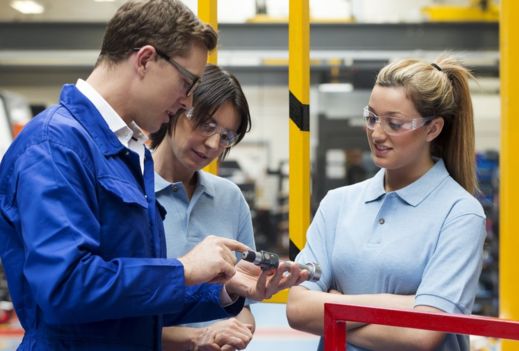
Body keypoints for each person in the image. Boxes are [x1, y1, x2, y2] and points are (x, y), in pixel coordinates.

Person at [0, 1, 304, 350]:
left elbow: (135, 302)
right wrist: (184, 268)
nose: (186, 100)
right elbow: (65, 288)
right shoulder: (56, 145)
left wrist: (224, 290)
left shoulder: (124, 151)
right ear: (145, 60)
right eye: (186, 82)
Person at [287, 56, 486, 351]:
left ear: (432, 129)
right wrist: (401, 306)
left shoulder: (460, 214)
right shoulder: (338, 204)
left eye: (395, 123)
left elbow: (423, 336)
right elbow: (297, 309)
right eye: (372, 118)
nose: (377, 134)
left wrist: (336, 311)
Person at [150, 65, 258, 351]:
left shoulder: (229, 198)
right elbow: (115, 315)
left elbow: (241, 305)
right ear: (177, 107)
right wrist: (196, 339)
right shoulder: (129, 190)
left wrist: (235, 331)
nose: (213, 144)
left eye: (226, 136)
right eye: (206, 125)